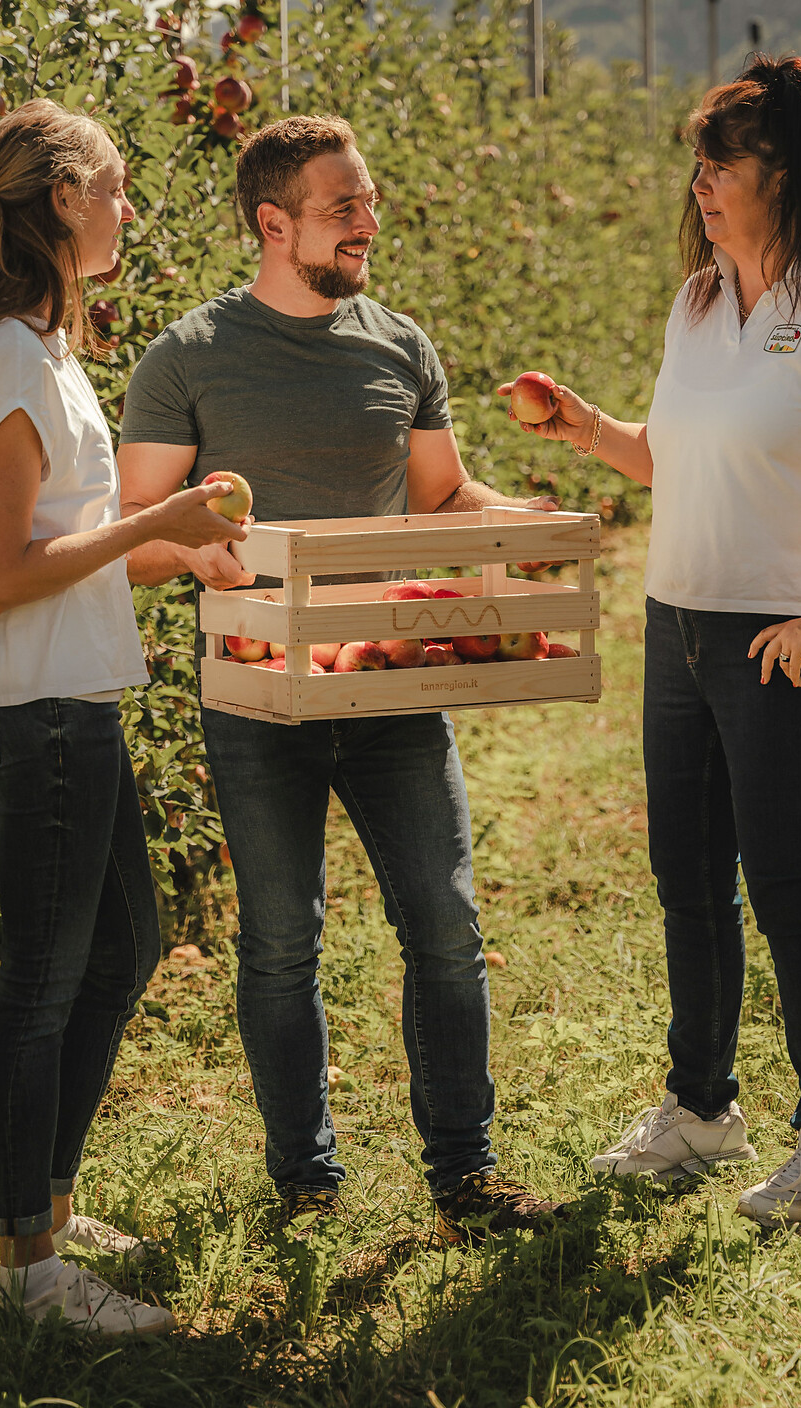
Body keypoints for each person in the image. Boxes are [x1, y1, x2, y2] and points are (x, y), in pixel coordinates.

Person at [504, 57, 801, 1227]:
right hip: (680, 623)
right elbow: (674, 455)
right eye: (695, 164)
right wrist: (584, 427)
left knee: (790, 888)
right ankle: (702, 1109)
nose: (699, 184)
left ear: (782, 172)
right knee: (689, 885)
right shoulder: (698, 303)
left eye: (720, 164)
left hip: (782, 642)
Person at [117, 114, 561, 1242]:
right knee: (281, 941)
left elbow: (442, 497)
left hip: (389, 678)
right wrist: (197, 553)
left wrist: (522, 520)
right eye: (343, 207)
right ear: (275, 224)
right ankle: (306, 1182)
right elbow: (134, 533)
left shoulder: (399, 346)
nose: (369, 221)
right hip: (257, 690)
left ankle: (466, 1176)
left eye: (369, 200)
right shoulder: (189, 356)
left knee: (446, 927)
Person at [0, 100, 245, 1334]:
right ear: (63, 199)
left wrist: (180, 552)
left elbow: (68, 548)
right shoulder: (4, 357)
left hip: (76, 690)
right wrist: (160, 521)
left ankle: (44, 1203)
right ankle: (29, 1271)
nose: (128, 210)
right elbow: (3, 576)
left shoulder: (42, 351)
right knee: (46, 980)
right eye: (116, 187)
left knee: (124, 949)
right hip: (37, 702)